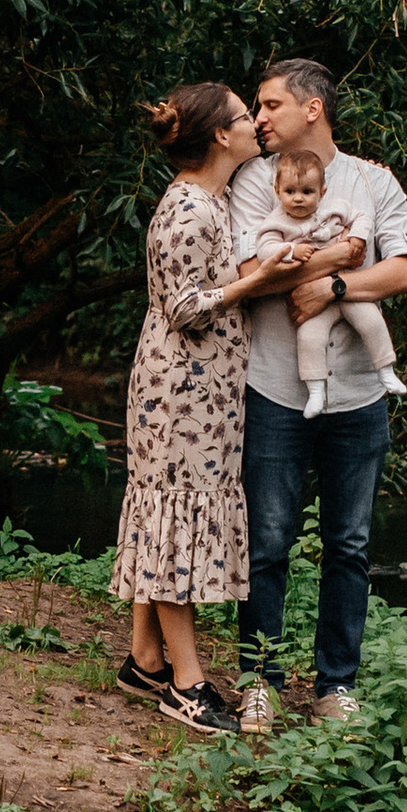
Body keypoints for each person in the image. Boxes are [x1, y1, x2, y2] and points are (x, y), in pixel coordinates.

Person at [229, 58, 407, 735]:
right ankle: (259, 679)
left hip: (359, 398)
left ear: (311, 109)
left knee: (349, 544)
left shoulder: (373, 180)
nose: (259, 119)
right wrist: (340, 257)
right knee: (268, 540)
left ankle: (335, 685)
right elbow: (253, 274)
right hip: (274, 391)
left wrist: (338, 287)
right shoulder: (254, 180)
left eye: (270, 105)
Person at [110, 83, 303, 733]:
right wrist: (260, 281)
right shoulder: (186, 209)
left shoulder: (213, 204)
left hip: (207, 397)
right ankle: (186, 686)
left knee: (168, 517)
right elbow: (185, 308)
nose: (256, 124)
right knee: (172, 522)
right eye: (247, 117)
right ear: (222, 136)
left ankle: (144, 659)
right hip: (177, 398)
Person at [248, 142, 407, 418]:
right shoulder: (277, 222)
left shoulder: (335, 208)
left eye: (307, 192)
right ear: (277, 192)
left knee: (371, 321)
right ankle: (316, 391)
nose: (298, 199)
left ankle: (385, 370)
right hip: (312, 301)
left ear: (322, 192)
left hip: (348, 288)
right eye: (290, 192)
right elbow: (264, 249)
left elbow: (363, 217)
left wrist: (357, 236)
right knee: (309, 338)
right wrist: (290, 251)